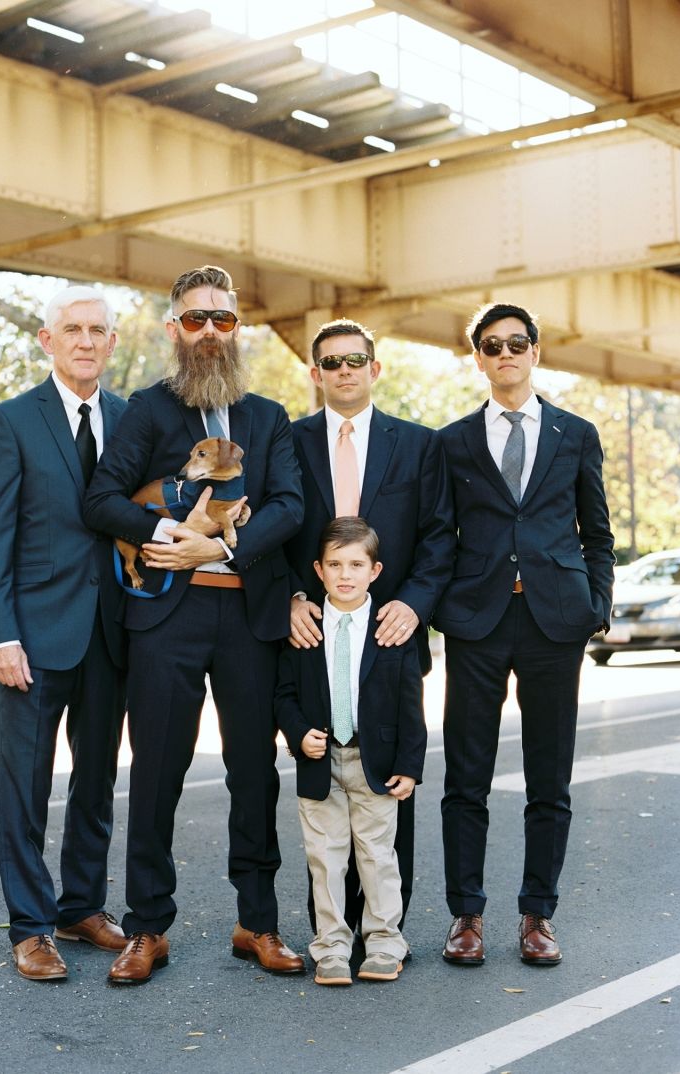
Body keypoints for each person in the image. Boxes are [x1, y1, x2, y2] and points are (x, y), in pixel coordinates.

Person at [83, 265, 305, 984]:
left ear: (237, 329)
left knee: (253, 773)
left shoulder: (270, 417)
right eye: (195, 319)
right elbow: (100, 499)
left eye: (223, 319)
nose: (210, 331)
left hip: (248, 615)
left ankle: (258, 923)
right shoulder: (147, 411)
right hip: (166, 619)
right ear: (173, 329)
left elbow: (291, 508)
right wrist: (169, 529)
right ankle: (147, 928)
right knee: (155, 774)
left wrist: (226, 544)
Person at [433, 302, 615, 967]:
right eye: (492, 345)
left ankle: (538, 916)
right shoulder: (451, 442)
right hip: (476, 623)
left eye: (517, 343)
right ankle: (467, 917)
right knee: (466, 776)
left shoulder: (575, 434)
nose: (505, 353)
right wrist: (441, 609)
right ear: (478, 358)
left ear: (535, 352)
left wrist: (596, 606)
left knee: (549, 778)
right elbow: (438, 536)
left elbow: (597, 534)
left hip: (553, 623)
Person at [0, 285, 128, 981]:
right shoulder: (11, 422)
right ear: (47, 340)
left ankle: (81, 905)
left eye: (97, 330)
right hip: (32, 639)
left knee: (95, 782)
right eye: (73, 329)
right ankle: (32, 927)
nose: (86, 340)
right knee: (24, 788)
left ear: (111, 343)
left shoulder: (130, 420)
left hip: (114, 635)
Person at [284, 318, 454, 932]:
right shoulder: (291, 440)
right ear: (316, 374)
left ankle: (386, 931)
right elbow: (275, 529)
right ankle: (331, 931)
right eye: (331, 362)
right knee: (322, 787)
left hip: (390, 635)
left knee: (388, 786)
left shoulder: (417, 444)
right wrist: (290, 597)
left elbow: (438, 538)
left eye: (355, 360)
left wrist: (414, 603)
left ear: (375, 368)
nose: (345, 370)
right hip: (314, 635)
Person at [276, 518, 427, 986]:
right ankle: (332, 946)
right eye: (335, 564)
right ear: (318, 570)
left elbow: (411, 703)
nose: (345, 574)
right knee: (326, 858)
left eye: (356, 564)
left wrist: (409, 766)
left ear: (375, 570)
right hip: (320, 761)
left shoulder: (391, 628)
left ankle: (383, 941)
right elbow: (283, 694)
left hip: (374, 762)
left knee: (378, 856)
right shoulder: (306, 628)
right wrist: (299, 734)